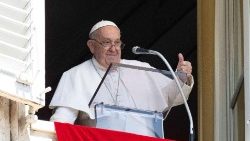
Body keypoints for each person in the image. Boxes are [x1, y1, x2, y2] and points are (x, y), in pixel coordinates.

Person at [49, 20, 194, 137]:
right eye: (106, 42)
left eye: (117, 42)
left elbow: (171, 96)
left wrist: (181, 78)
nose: (114, 48)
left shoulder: (139, 68)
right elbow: (62, 121)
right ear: (92, 46)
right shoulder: (76, 75)